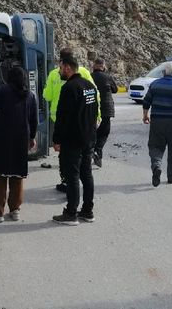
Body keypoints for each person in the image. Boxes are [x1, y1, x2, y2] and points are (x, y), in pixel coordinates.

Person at [0, 67, 38, 223]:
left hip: (2, 137)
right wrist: (32, 137)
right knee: (17, 175)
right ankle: (15, 210)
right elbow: (33, 119)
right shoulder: (30, 95)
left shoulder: (2, 91)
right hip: (21, 138)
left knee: (0, 175)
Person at [42, 47, 99, 192]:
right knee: (84, 160)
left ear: (61, 61)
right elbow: (94, 94)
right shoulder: (84, 72)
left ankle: (67, 182)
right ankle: (83, 200)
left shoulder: (54, 74)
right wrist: (96, 116)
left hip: (60, 118)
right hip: (83, 120)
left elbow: (47, 96)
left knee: (65, 155)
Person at [52, 55, 99, 225]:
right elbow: (94, 113)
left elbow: (62, 118)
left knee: (72, 176)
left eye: (60, 67)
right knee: (87, 175)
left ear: (67, 67)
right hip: (88, 138)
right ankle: (87, 211)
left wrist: (56, 140)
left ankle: (71, 213)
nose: (59, 71)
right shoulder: (90, 86)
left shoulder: (69, 88)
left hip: (72, 140)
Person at [91, 58, 118, 167]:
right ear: (103, 66)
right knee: (104, 133)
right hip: (106, 109)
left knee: (93, 132)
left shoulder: (90, 77)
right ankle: (97, 151)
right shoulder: (108, 77)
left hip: (92, 108)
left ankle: (94, 153)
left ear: (94, 66)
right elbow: (115, 90)